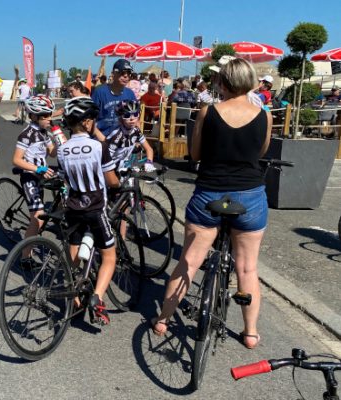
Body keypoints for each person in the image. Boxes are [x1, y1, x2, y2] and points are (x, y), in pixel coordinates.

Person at [152, 58, 272, 351]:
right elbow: (262, 150)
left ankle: (163, 319)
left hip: (210, 194)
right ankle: (250, 332)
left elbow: (194, 153)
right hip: (249, 196)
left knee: (190, 261)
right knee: (246, 268)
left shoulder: (208, 111)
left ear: (223, 83)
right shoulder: (264, 115)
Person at [57, 96, 120, 324]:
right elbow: (112, 180)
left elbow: (65, 179)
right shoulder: (98, 146)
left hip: (73, 207)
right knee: (109, 256)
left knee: (72, 253)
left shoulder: (62, 149)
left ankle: (73, 294)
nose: (95, 122)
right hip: (95, 207)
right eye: (93, 119)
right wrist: (119, 183)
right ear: (86, 122)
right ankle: (97, 297)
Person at [12, 95, 57, 261]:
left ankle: (33, 235)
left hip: (41, 175)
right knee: (37, 217)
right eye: (45, 116)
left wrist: (58, 140)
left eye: (50, 114)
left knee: (41, 215)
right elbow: (16, 160)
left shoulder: (44, 133)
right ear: (33, 116)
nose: (48, 119)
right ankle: (25, 257)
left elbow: (52, 153)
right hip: (30, 176)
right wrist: (38, 168)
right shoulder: (26, 134)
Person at [106, 101, 155, 175]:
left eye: (135, 114)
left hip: (124, 165)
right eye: (127, 115)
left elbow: (149, 149)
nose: (132, 118)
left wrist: (149, 162)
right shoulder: (116, 135)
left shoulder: (136, 131)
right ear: (120, 118)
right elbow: (106, 161)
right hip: (111, 169)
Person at [92, 58, 137, 137]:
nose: (126, 76)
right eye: (122, 72)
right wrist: (103, 141)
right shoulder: (99, 92)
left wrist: (136, 140)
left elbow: (136, 119)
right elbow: (90, 120)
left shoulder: (130, 94)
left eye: (129, 73)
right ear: (113, 74)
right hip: (102, 137)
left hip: (123, 139)